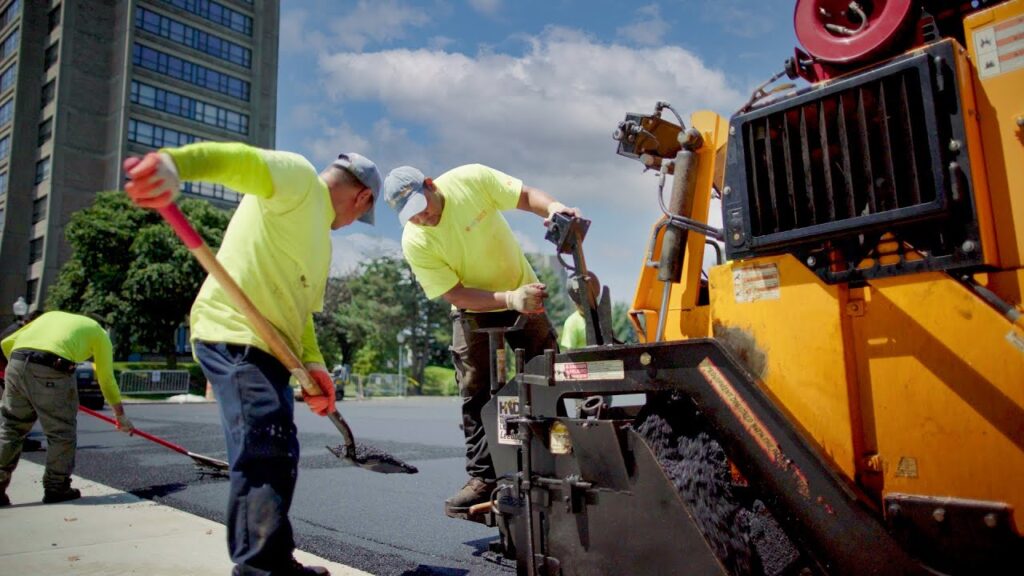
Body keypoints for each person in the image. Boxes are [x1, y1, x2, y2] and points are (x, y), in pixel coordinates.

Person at [124, 142, 381, 576]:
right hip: (231, 335)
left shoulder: (321, 242)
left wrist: (314, 368)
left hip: (271, 350)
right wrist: (174, 165)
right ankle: (259, 570)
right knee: (265, 448)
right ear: (363, 197)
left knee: (277, 450)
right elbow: (238, 161)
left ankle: (275, 559)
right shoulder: (300, 182)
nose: (353, 223)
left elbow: (300, 316)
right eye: (362, 214)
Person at [383, 163, 579, 516]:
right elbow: (455, 293)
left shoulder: (469, 180)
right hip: (474, 307)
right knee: (474, 389)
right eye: (410, 217)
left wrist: (553, 208)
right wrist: (507, 299)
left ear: (430, 184)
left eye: (421, 208)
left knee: (548, 376)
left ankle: (564, 457)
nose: (421, 219)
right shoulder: (415, 241)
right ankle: (483, 478)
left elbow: (524, 196)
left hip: (525, 292)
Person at [0, 311, 134, 506]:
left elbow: (6, 343)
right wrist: (120, 416)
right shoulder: (99, 333)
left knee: (11, 428)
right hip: (52, 368)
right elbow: (106, 379)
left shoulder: (51, 316)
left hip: (17, 362)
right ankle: (57, 487)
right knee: (61, 432)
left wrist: (23, 377)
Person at [0, 311, 45, 452]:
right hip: (5, 373)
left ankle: (18, 440)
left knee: (16, 408)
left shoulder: (17, 330)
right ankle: (15, 442)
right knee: (14, 409)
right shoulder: (16, 332)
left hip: (8, 373)